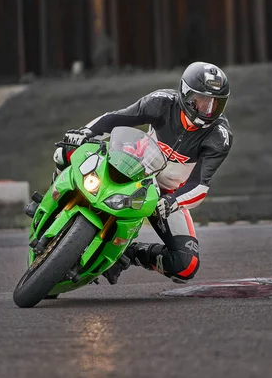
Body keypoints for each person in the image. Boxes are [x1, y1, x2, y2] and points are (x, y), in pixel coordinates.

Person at [25, 61, 233, 285]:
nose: (208, 110)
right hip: (134, 166)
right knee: (65, 150)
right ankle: (50, 199)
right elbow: (115, 118)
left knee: (186, 265)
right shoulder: (162, 102)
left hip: (165, 196)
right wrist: (85, 132)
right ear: (185, 93)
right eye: (201, 102)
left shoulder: (219, 136)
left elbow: (200, 185)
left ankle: (129, 254)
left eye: (215, 105)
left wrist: (173, 201)